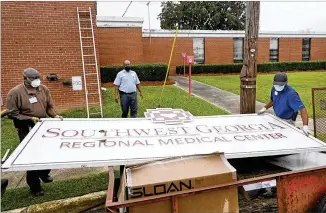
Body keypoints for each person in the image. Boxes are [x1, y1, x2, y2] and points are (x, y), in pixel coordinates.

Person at [6, 68, 63, 196]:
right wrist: (29, 118)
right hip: (26, 128)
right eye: (33, 79)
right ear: (25, 78)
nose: (37, 81)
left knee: (48, 151)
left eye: (38, 78)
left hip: (43, 126)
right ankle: (35, 186)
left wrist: (55, 116)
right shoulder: (15, 93)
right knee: (31, 157)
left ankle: (43, 173)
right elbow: (12, 114)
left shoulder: (43, 89)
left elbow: (49, 106)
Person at [258, 72, 309, 136]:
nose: (278, 86)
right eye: (276, 84)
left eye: (280, 85)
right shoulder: (274, 88)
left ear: (286, 83)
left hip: (287, 121)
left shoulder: (291, 94)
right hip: (277, 118)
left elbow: (302, 109)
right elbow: (273, 100)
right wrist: (264, 108)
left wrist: (305, 126)